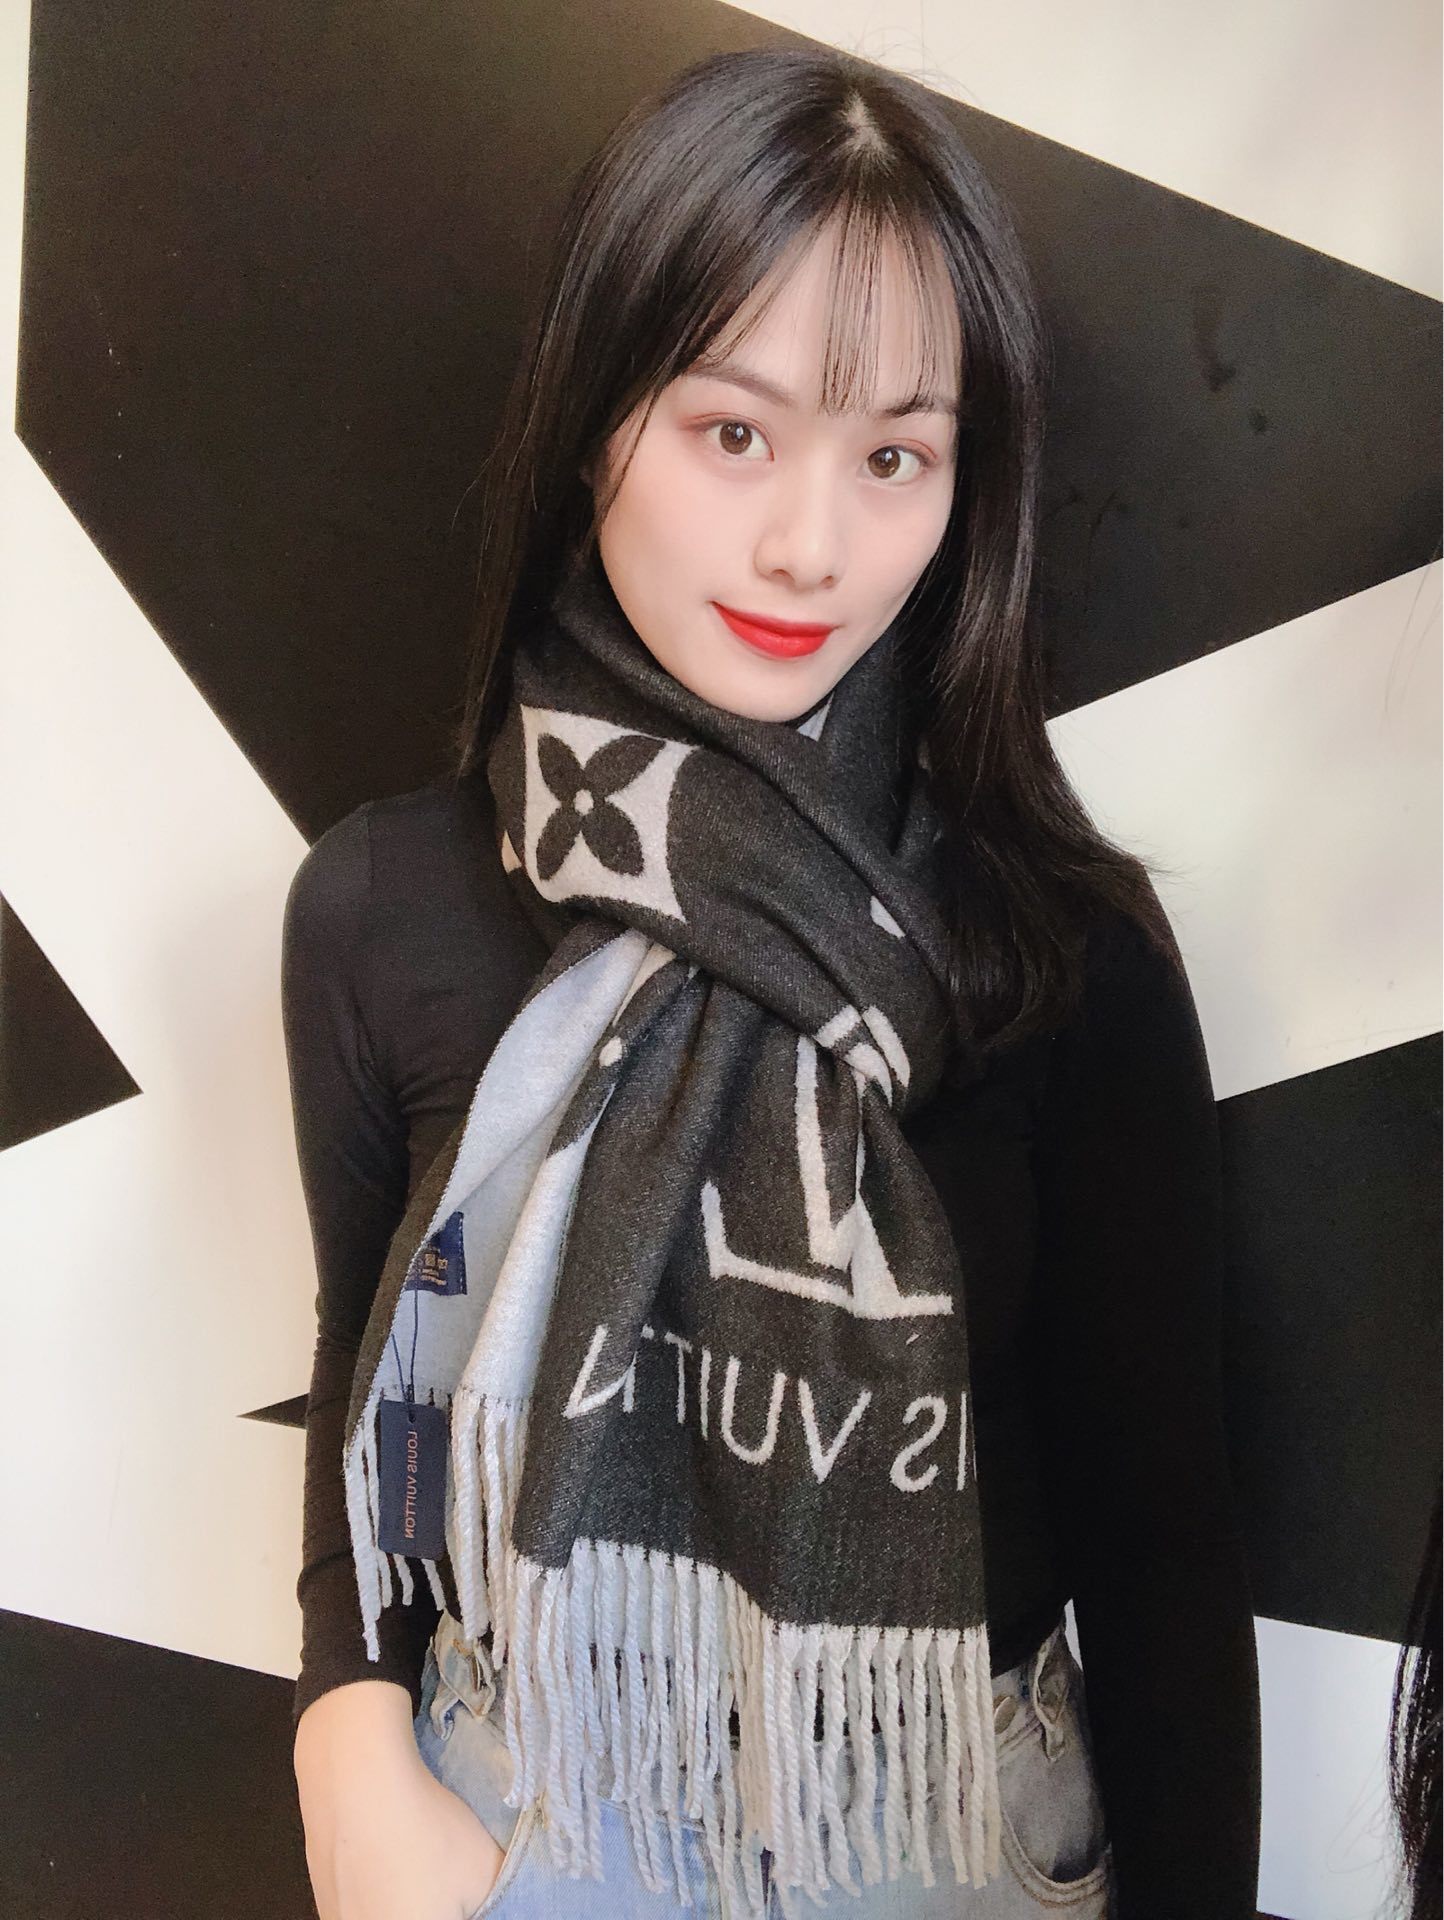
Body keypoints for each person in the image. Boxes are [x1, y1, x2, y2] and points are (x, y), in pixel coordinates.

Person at [283, 44, 1262, 1920]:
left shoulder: (1059, 946)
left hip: (946, 1826)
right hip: (527, 1804)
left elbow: (1161, 1540)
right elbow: (370, 1379)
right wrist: (347, 1742)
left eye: (894, 456)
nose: (812, 546)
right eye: (734, 433)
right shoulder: (388, 906)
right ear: (598, 423)